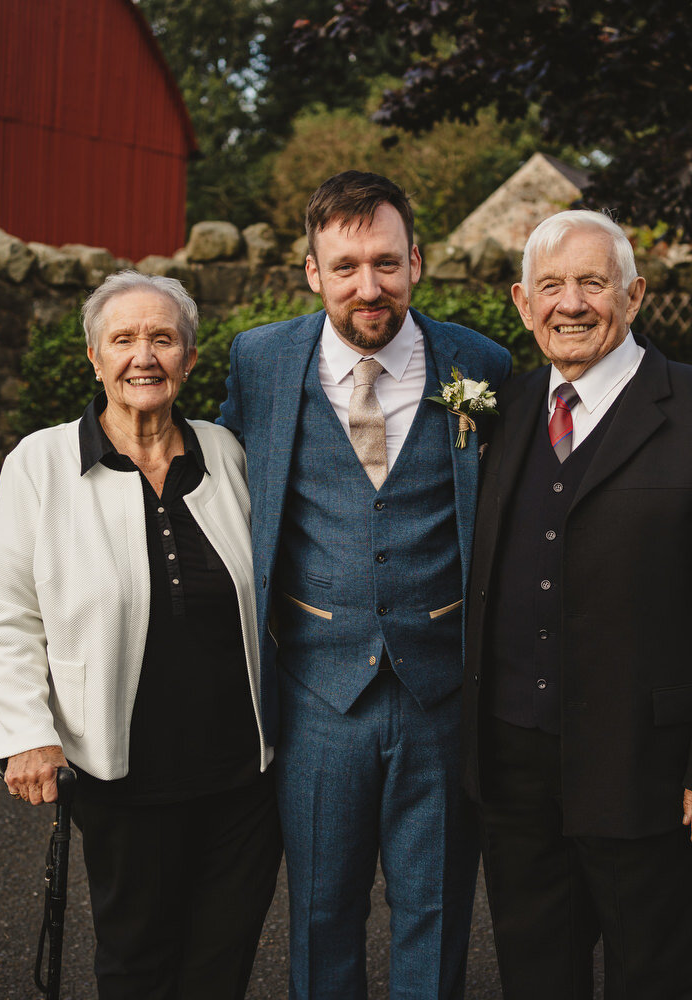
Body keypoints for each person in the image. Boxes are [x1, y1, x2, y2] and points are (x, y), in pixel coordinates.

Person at [462, 210, 692, 999]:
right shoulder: (500, 410)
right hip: (517, 771)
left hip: (651, 771)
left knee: (659, 979)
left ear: (634, 296)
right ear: (521, 302)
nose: (570, 304)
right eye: (551, 286)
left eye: (592, 283)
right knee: (536, 977)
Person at [219, 170, 512, 999]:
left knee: (436, 908)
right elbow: (217, 477)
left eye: (386, 262)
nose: (368, 286)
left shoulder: (480, 364)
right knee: (320, 914)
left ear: (417, 261)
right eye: (345, 267)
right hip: (318, 694)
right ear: (313, 272)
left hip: (442, 693)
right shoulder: (263, 360)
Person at [0, 272, 281, 1000]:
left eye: (163, 339)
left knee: (221, 963)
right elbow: (7, 610)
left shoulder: (225, 455)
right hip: (123, 775)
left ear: (190, 360)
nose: (144, 356)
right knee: (138, 962)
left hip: (244, 778)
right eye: (124, 339)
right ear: (94, 357)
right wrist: (26, 729)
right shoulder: (41, 464)